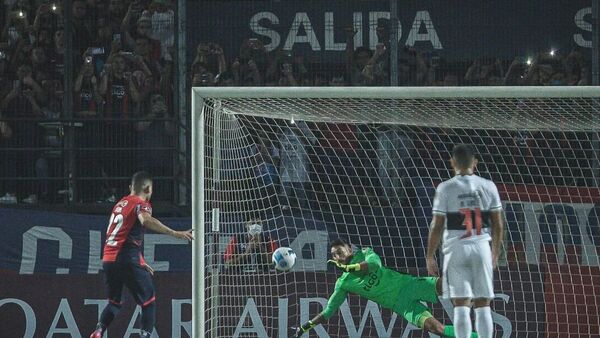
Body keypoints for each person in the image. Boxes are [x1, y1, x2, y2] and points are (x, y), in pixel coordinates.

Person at [291, 239, 478, 338]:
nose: (338, 256)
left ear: (349, 248)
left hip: (408, 285)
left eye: (339, 251)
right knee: (436, 329)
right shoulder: (343, 283)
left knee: (447, 285)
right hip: (400, 304)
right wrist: (305, 327)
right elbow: (329, 310)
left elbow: (375, 266)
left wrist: (349, 268)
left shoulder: (365, 252)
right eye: (334, 255)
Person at [89, 171, 193, 338]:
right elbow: (145, 220)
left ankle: (99, 330)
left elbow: (125, 235)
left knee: (114, 303)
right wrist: (175, 233)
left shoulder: (120, 204)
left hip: (109, 258)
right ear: (148, 188)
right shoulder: (141, 204)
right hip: (127, 256)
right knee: (148, 300)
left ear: (131, 187)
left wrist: (141, 261)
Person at [426, 144, 504, 338]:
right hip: (480, 245)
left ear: (452, 163)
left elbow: (436, 225)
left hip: (455, 248)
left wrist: (429, 255)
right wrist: (495, 252)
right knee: (483, 303)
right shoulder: (488, 185)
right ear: (475, 163)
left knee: (460, 304)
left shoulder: (445, 187)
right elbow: (498, 224)